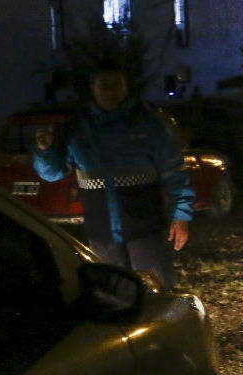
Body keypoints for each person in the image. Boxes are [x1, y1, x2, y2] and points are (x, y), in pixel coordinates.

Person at [33, 60, 194, 288]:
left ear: (126, 87)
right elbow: (51, 174)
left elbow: (174, 172)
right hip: (102, 234)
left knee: (159, 293)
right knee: (116, 296)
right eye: (103, 84)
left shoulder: (148, 124)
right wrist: (45, 151)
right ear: (92, 87)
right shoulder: (76, 128)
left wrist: (181, 216)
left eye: (116, 84)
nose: (110, 90)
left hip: (145, 229)